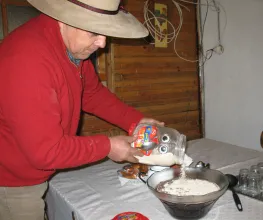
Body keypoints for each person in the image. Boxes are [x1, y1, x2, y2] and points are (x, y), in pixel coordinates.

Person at [0, 0, 164, 219]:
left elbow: (92, 93)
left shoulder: (70, 48)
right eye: (94, 32)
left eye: (105, 32)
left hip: (29, 171)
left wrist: (135, 121)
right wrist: (108, 147)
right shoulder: (27, 61)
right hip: (9, 183)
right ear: (65, 18)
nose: (102, 43)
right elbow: (46, 152)